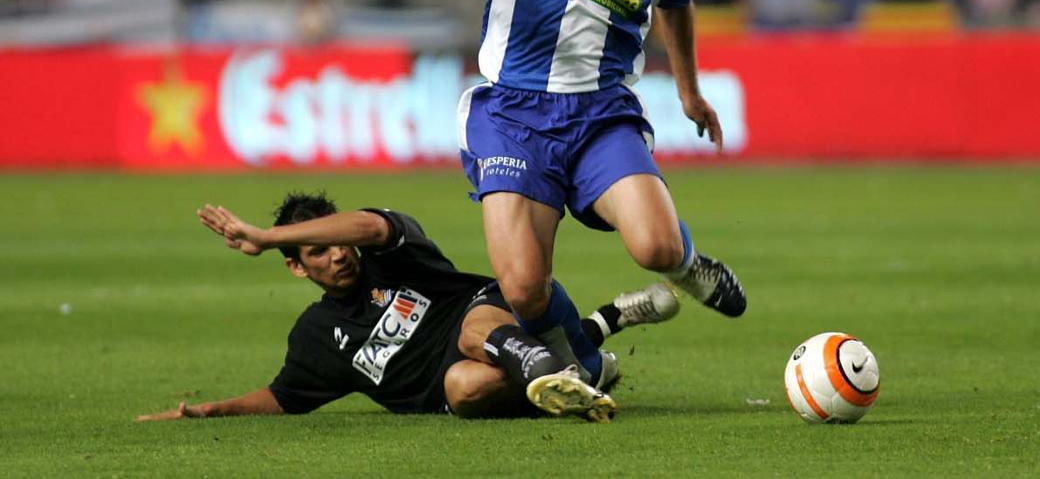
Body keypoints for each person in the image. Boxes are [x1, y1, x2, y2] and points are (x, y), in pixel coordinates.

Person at [427, 0, 746, 385]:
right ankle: (589, 362)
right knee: (523, 288)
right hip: (513, 111)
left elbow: (676, 2)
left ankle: (686, 265)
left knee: (655, 247)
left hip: (602, 111)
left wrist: (688, 89)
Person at [136, 192, 680, 423]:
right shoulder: (316, 335)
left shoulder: (388, 252)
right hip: (451, 386)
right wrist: (214, 409)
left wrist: (270, 233)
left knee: (474, 334)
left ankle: (575, 359)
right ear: (297, 268)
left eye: (334, 240)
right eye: (317, 253)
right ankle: (587, 354)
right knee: (465, 388)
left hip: (479, 311)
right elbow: (284, 398)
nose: (338, 255)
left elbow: (371, 224)